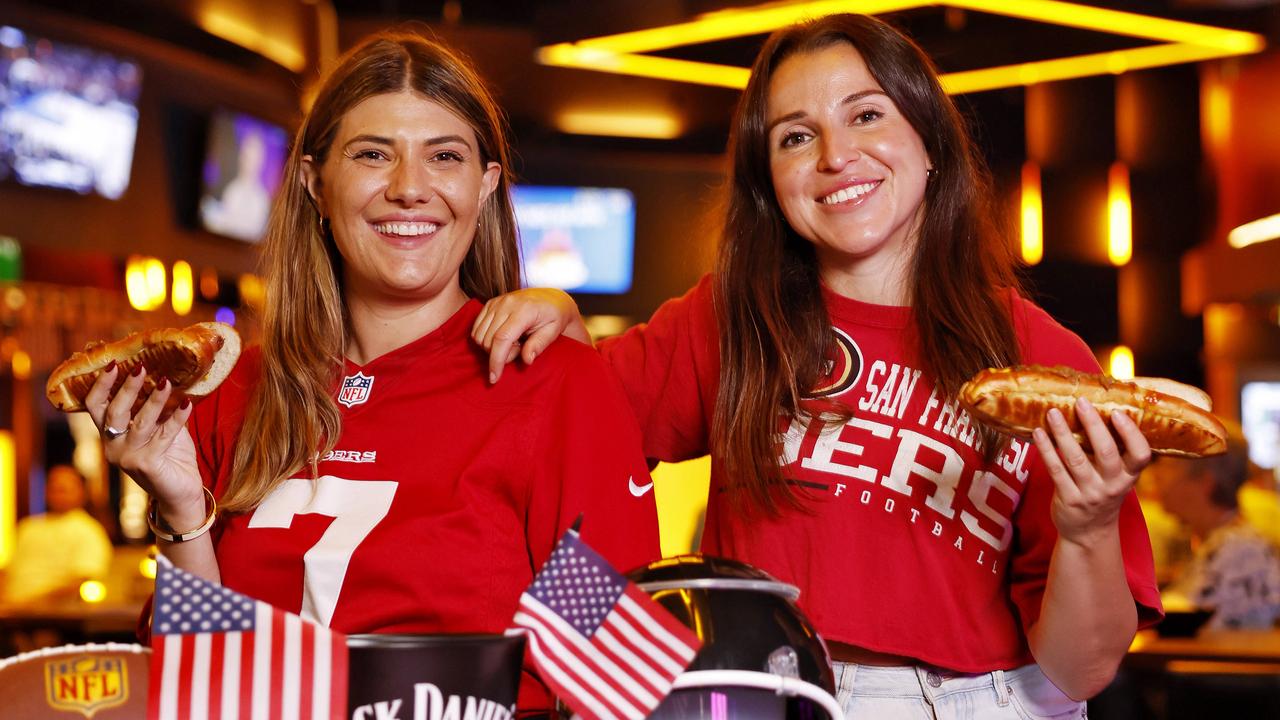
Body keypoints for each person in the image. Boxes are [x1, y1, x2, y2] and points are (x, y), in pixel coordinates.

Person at [474, 13, 1162, 718]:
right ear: (770, 180)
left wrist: (1088, 528)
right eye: (797, 137)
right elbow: (537, 462)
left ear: (930, 141)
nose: (836, 155)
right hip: (767, 692)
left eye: (866, 115)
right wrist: (561, 327)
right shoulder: (730, 321)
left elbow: (1083, 670)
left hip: (990, 701)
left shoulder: (1043, 359)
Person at [80, 32, 659, 715]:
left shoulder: (553, 386)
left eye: (445, 156)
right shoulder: (230, 392)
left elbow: (614, 682)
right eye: (372, 155)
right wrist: (181, 514)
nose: (409, 188)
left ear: (486, 187)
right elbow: (207, 688)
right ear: (314, 184)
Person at [1156, 426, 1280, 630]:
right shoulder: (1220, 542)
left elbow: (1181, 627)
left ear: (1206, 482)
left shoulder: (1240, 549)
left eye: (1168, 466)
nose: (1156, 475)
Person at [0, 464, 112, 605]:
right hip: (12, 611)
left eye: (64, 489)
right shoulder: (29, 527)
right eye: (53, 488)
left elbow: (82, 580)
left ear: (82, 492)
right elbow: (7, 570)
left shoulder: (88, 530)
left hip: (55, 615)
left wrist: (34, 603)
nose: (58, 494)